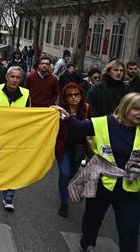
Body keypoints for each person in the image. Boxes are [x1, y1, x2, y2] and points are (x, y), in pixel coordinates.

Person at [51, 93, 140, 252]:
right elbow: (81, 127)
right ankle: (87, 243)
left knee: (130, 227)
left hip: (130, 185)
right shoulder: (107, 122)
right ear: (125, 107)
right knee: (93, 217)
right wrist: (65, 115)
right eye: (136, 109)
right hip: (102, 181)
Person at [0, 66, 30, 212]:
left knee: (12, 166)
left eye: (18, 77)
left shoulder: (26, 94)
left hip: (15, 138)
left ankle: (9, 196)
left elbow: (29, 116)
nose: (14, 80)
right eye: (12, 77)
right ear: (6, 77)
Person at [54, 83, 91, 218]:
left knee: (69, 175)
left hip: (79, 149)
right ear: (65, 97)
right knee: (64, 174)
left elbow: (93, 127)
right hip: (63, 148)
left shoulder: (86, 109)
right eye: (70, 95)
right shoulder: (59, 111)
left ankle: (62, 187)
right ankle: (64, 203)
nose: (74, 97)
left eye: (77, 94)